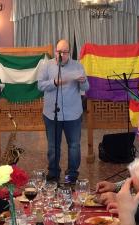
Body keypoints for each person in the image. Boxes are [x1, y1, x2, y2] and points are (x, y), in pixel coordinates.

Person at [37, 39, 89, 183]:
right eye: (59, 52)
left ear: (69, 53)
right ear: (55, 52)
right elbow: (40, 86)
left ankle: (71, 174)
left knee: (74, 145)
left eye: (65, 52)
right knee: (53, 145)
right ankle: (53, 173)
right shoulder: (46, 66)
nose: (61, 55)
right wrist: (55, 82)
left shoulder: (78, 66)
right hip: (51, 114)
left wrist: (83, 81)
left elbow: (86, 88)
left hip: (73, 114)